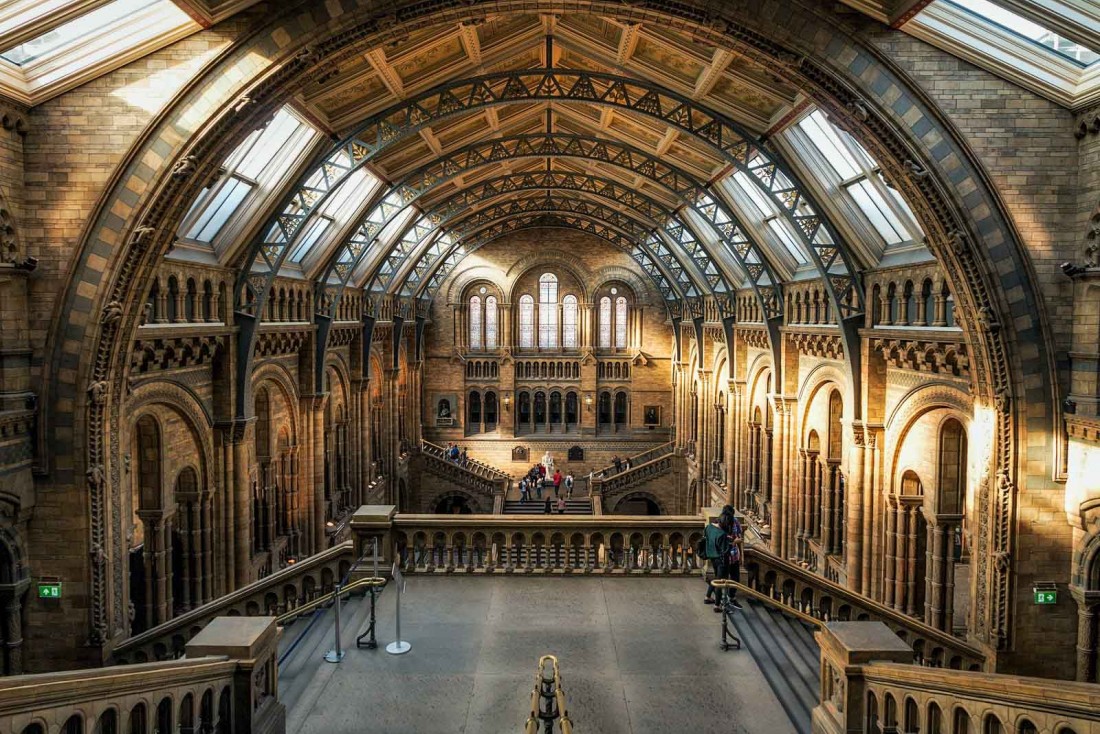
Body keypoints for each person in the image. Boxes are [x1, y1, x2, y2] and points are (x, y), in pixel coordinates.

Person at [703, 512, 730, 612]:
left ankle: (707, 596)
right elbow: (725, 550)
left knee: (716, 577)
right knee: (719, 581)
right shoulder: (722, 534)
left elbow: (708, 538)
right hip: (720, 559)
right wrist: (733, 543)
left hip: (711, 556)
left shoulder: (709, 527)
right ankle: (717, 605)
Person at [722, 506, 744, 611]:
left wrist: (741, 556)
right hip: (724, 557)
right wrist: (734, 542)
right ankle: (724, 603)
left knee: (735, 579)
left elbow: (739, 537)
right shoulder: (720, 523)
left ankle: (732, 598)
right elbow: (722, 541)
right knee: (724, 580)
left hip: (734, 555)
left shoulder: (735, 522)